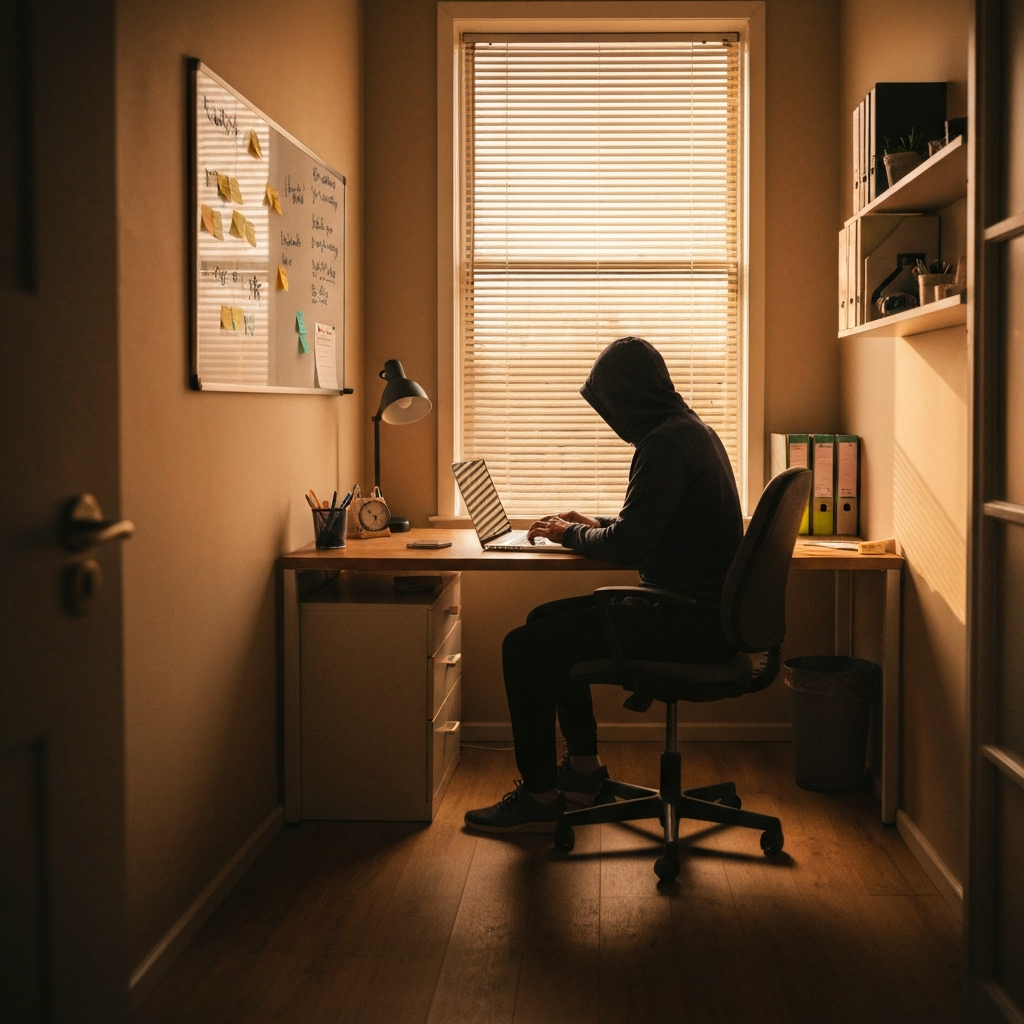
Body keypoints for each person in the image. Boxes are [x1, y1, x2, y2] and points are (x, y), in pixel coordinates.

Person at [463, 336, 744, 834]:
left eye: (610, 405)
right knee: (543, 622)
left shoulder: (662, 444)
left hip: (680, 621)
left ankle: (540, 794)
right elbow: (657, 523)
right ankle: (582, 770)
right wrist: (592, 521)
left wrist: (569, 532)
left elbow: (630, 546)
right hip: (701, 613)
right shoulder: (688, 431)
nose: (610, 420)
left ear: (628, 397)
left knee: (523, 647)